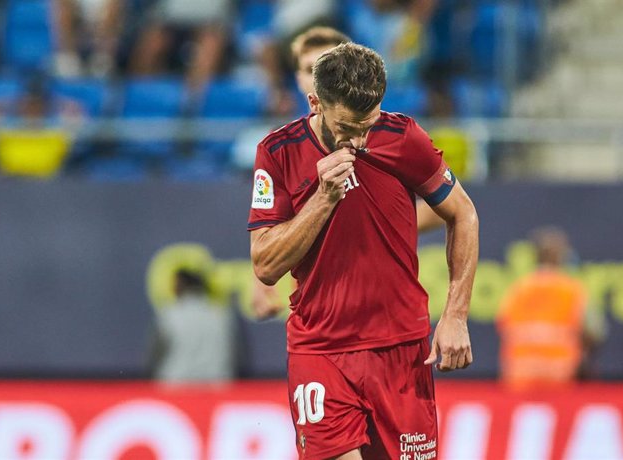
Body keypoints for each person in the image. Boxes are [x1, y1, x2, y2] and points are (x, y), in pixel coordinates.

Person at [248, 43, 479, 458]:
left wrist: (456, 315)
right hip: (321, 351)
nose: (358, 140)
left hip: (401, 350)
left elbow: (463, 215)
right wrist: (323, 198)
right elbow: (265, 264)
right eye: (347, 127)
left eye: (367, 125)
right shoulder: (278, 152)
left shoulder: (404, 137)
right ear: (315, 102)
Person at [251, 27, 444, 319]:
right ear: (299, 77)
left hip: (380, 308)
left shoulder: (393, 134)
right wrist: (259, 283)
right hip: (313, 307)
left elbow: (444, 206)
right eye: (307, 68)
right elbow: (267, 229)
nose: (315, 78)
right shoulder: (277, 148)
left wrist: (371, 232)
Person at [497, 227, 605, 391]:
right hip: (561, 377)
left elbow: (503, 325)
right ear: (562, 256)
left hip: (520, 377)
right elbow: (595, 332)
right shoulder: (572, 290)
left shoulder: (518, 289)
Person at [149, 269, 235, 382]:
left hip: (175, 387)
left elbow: (156, 355)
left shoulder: (169, 315)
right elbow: (235, 355)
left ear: (182, 285)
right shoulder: (221, 314)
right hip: (216, 386)